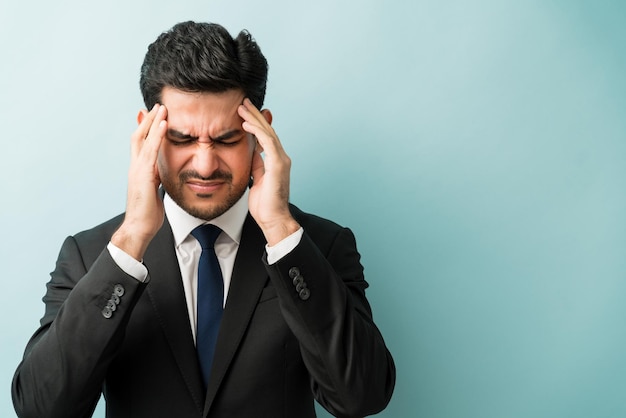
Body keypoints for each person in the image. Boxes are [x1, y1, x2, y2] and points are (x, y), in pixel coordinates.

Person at [11, 21, 395, 418]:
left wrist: (280, 230)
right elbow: (41, 408)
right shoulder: (91, 256)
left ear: (260, 132)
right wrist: (131, 242)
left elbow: (361, 397)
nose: (206, 165)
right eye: (182, 140)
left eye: (227, 139)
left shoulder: (318, 246)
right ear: (148, 134)